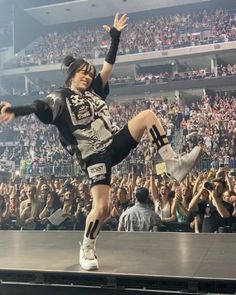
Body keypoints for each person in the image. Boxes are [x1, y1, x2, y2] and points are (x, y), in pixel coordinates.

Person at [0, 13, 201, 271]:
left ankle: (174, 164)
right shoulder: (60, 97)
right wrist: (16, 110)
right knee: (104, 208)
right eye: (83, 73)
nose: (87, 77)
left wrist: (115, 38)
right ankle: (87, 247)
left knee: (147, 116)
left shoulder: (95, 91)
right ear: (72, 75)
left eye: (89, 74)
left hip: (112, 143)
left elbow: (108, 65)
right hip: (93, 156)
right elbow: (40, 108)